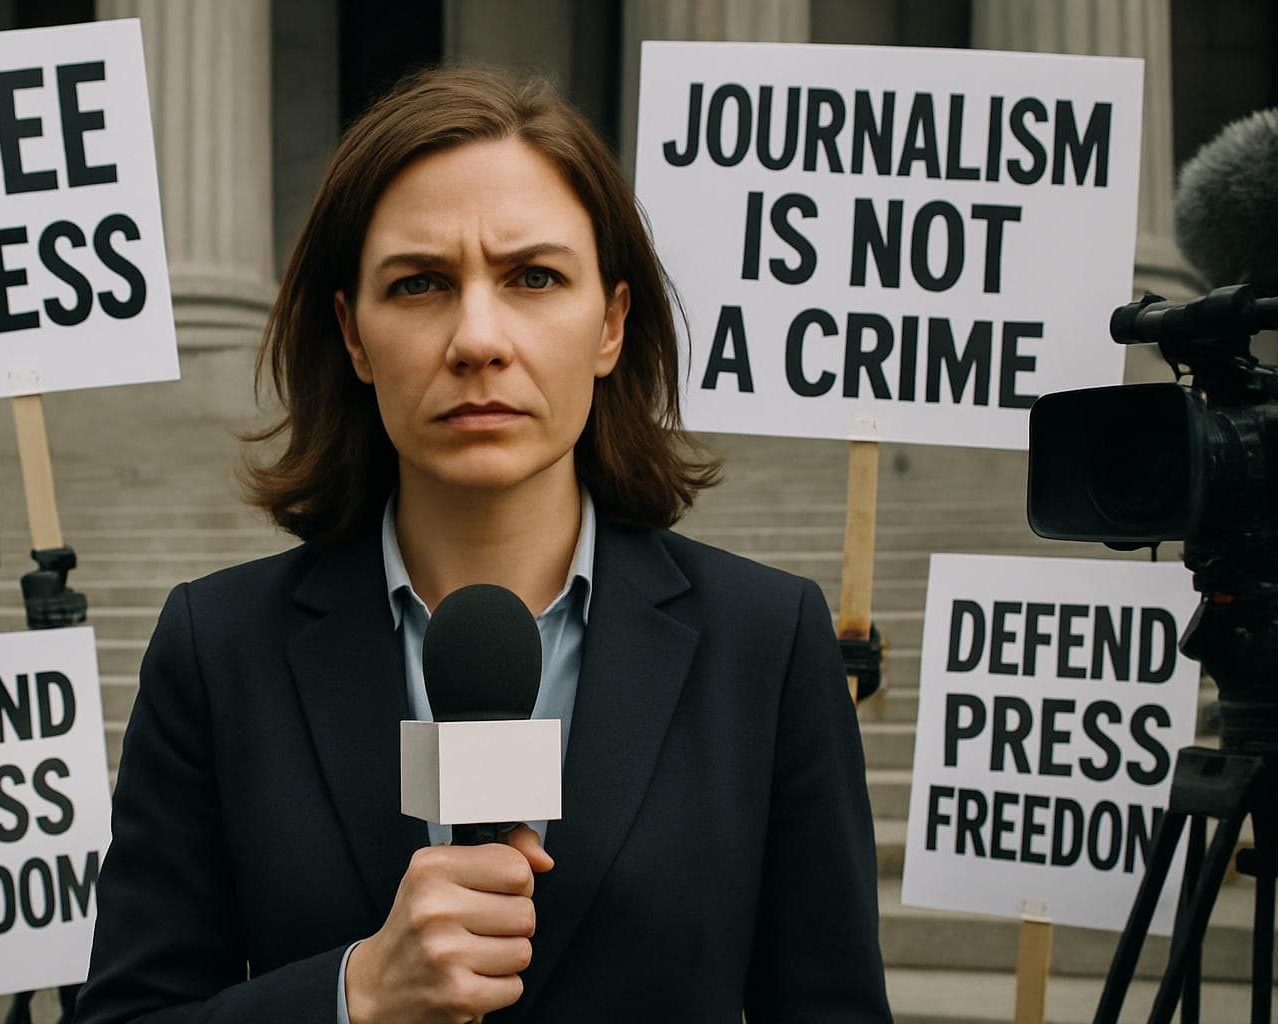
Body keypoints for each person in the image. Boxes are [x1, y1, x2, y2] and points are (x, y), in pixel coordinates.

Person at [74, 66, 891, 1024]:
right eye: (419, 284)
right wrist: (352, 995)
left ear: (611, 324)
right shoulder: (219, 648)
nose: (477, 338)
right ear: (354, 335)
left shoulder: (768, 641)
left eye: (533, 278)